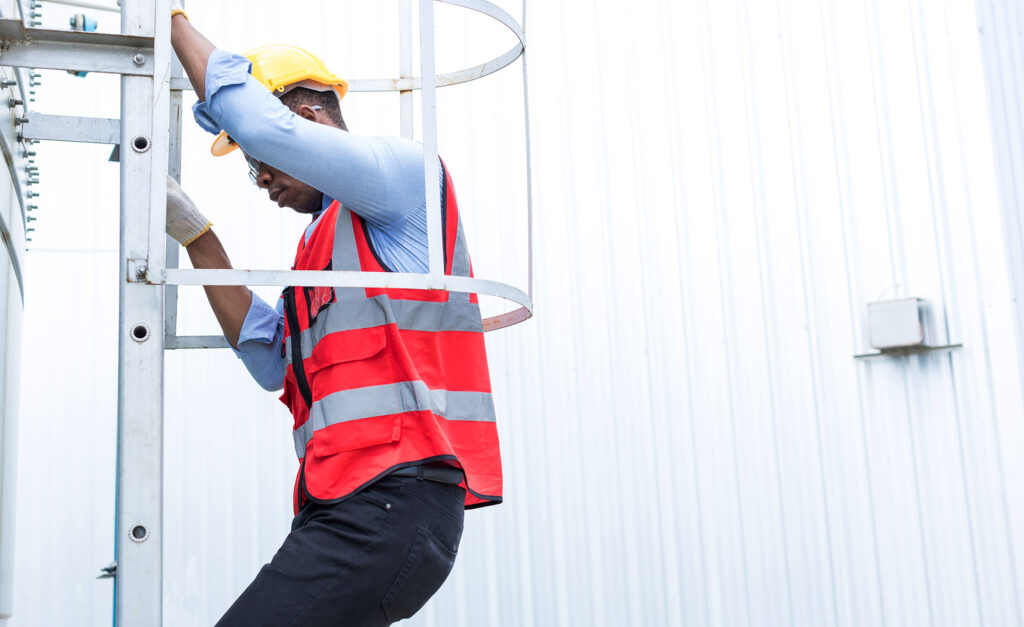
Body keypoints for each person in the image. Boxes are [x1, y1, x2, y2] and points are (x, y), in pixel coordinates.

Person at [165, 5, 503, 626]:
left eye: (256, 156)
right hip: (347, 505)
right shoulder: (321, 257)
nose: (259, 175)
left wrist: (171, 19)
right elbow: (271, 360)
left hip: (393, 501)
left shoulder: (405, 179)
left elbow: (263, 129)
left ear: (306, 118)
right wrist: (199, 239)